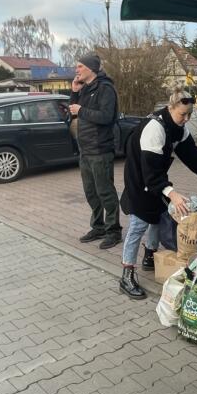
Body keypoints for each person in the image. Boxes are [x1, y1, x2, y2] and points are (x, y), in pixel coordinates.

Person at [118, 88, 197, 299]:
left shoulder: (179, 129)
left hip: (155, 178)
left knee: (158, 215)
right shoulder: (154, 128)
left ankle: (150, 256)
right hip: (139, 179)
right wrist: (171, 193)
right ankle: (126, 275)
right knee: (139, 223)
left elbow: (193, 156)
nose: (186, 119)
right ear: (170, 107)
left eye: (190, 114)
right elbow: (150, 172)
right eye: (182, 114)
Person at [70, 53, 121, 249]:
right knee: (91, 192)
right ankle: (98, 227)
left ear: (91, 68)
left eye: (80, 66)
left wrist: (81, 110)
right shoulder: (85, 89)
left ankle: (114, 231)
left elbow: (107, 117)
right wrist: (75, 92)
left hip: (100, 150)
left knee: (105, 191)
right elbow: (74, 114)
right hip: (85, 150)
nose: (77, 70)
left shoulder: (105, 88)